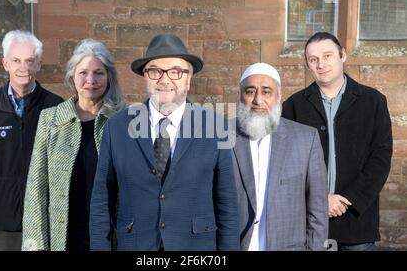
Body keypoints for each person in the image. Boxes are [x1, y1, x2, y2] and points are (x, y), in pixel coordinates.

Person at [89, 34, 239, 251]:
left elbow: (227, 206)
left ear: (188, 79)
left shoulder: (216, 127)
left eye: (176, 71)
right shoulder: (117, 127)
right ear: (145, 76)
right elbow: (102, 201)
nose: (165, 79)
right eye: (155, 71)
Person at [282, 32, 393, 251]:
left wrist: (346, 200)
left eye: (327, 56)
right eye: (313, 59)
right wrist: (319, 200)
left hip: (356, 221)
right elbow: (286, 164)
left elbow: (380, 158)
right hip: (307, 222)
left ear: (342, 55)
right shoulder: (293, 106)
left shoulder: (373, 102)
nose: (321, 64)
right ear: (307, 65)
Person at [21, 39, 125, 251]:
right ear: (72, 76)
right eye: (83, 72)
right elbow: (36, 189)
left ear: (109, 77)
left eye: (99, 73)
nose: (91, 80)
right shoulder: (50, 120)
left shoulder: (124, 120)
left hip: (110, 236)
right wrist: (35, 245)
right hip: (64, 237)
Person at [0, 30, 63, 251]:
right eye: (16, 60)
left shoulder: (55, 106)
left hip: (43, 220)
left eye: (30, 61)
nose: (23, 68)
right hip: (2, 223)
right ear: (5, 63)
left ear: (38, 64)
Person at [232, 62, 328, 251]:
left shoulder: (306, 139)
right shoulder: (220, 136)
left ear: (278, 97)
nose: (258, 100)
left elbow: (318, 210)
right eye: (250, 91)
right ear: (240, 96)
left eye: (267, 92)